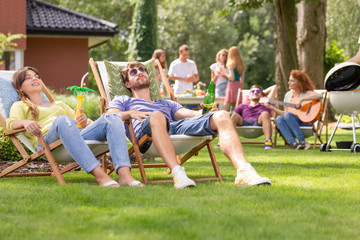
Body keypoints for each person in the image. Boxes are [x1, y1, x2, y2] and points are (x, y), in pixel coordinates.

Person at [107, 62, 272, 187]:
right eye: (133, 72)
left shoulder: (166, 103)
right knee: (156, 116)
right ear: (127, 84)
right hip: (147, 136)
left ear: (149, 77)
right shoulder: (123, 100)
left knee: (221, 115)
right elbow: (110, 116)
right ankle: (177, 173)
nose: (139, 73)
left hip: (174, 127)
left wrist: (206, 112)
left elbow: (191, 115)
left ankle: (244, 171)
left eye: (142, 69)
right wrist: (129, 113)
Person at [7, 66, 142, 187]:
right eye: (28, 78)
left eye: (37, 76)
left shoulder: (59, 105)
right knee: (62, 120)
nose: (35, 79)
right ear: (20, 88)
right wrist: (25, 122)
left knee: (113, 117)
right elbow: (11, 124)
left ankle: (125, 176)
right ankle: (100, 176)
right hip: (48, 142)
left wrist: (84, 122)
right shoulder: (20, 105)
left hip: (74, 137)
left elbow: (86, 123)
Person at [266, 70, 323, 150]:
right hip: (291, 122)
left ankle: (302, 141)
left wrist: (301, 100)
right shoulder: (287, 95)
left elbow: (320, 96)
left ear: (300, 82)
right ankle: (294, 144)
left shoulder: (307, 93)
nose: (289, 82)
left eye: (292, 81)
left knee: (288, 115)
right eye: (289, 80)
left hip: (306, 122)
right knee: (279, 118)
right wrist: (273, 108)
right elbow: (285, 114)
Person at [231, 85, 277, 149]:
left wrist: (264, 93)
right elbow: (232, 117)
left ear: (261, 95)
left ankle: (268, 141)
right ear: (249, 95)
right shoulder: (242, 106)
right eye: (252, 91)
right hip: (244, 123)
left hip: (259, 123)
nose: (255, 92)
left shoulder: (266, 105)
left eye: (257, 91)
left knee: (265, 113)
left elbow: (275, 87)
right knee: (234, 116)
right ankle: (228, 140)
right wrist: (259, 92)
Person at [223, 46, 246, 112]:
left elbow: (232, 78)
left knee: (226, 107)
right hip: (239, 86)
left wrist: (224, 72)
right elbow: (242, 80)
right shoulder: (241, 65)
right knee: (238, 108)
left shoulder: (231, 64)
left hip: (232, 86)